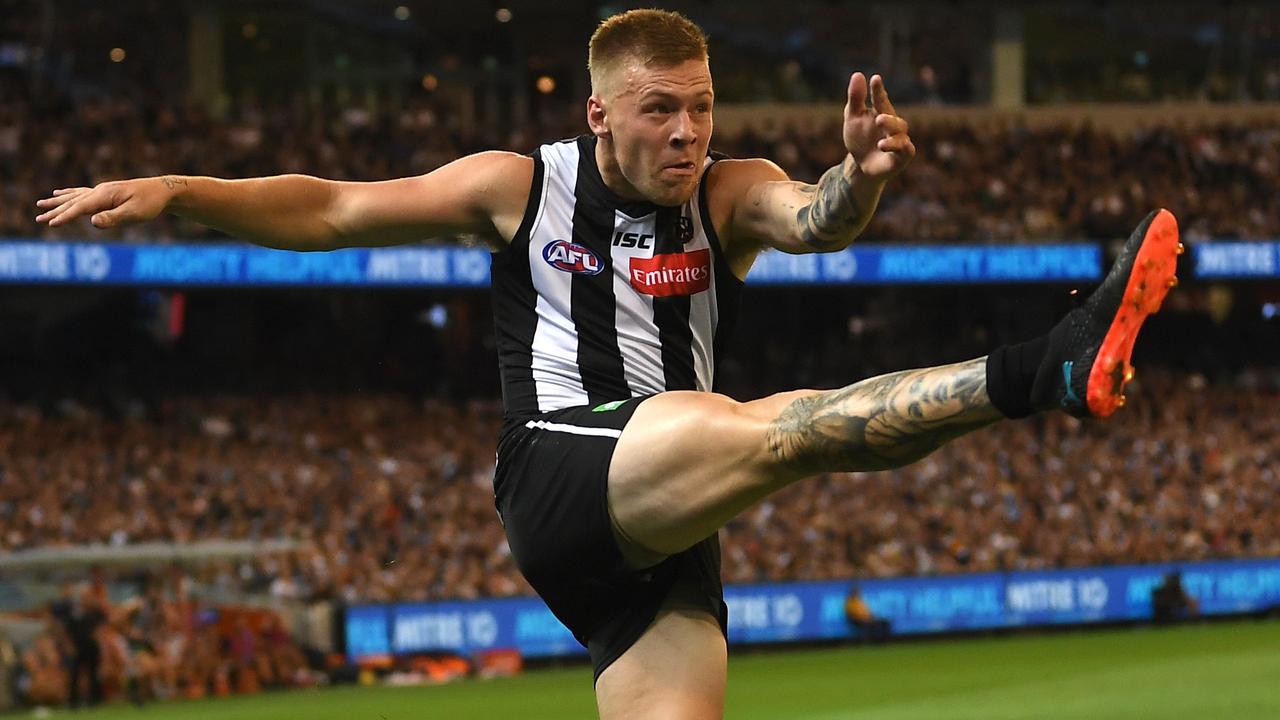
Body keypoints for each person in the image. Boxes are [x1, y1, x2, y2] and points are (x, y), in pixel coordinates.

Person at [35, 9, 1181, 718]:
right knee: (780, 430)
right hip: (563, 469)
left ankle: (1048, 366)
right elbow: (335, 207)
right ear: (598, 112)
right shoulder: (518, 186)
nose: (687, 133)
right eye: (659, 111)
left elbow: (815, 218)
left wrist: (864, 176)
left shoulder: (726, 191)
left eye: (702, 109)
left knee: (751, 450)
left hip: (657, 535)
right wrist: (184, 191)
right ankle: (1045, 365)